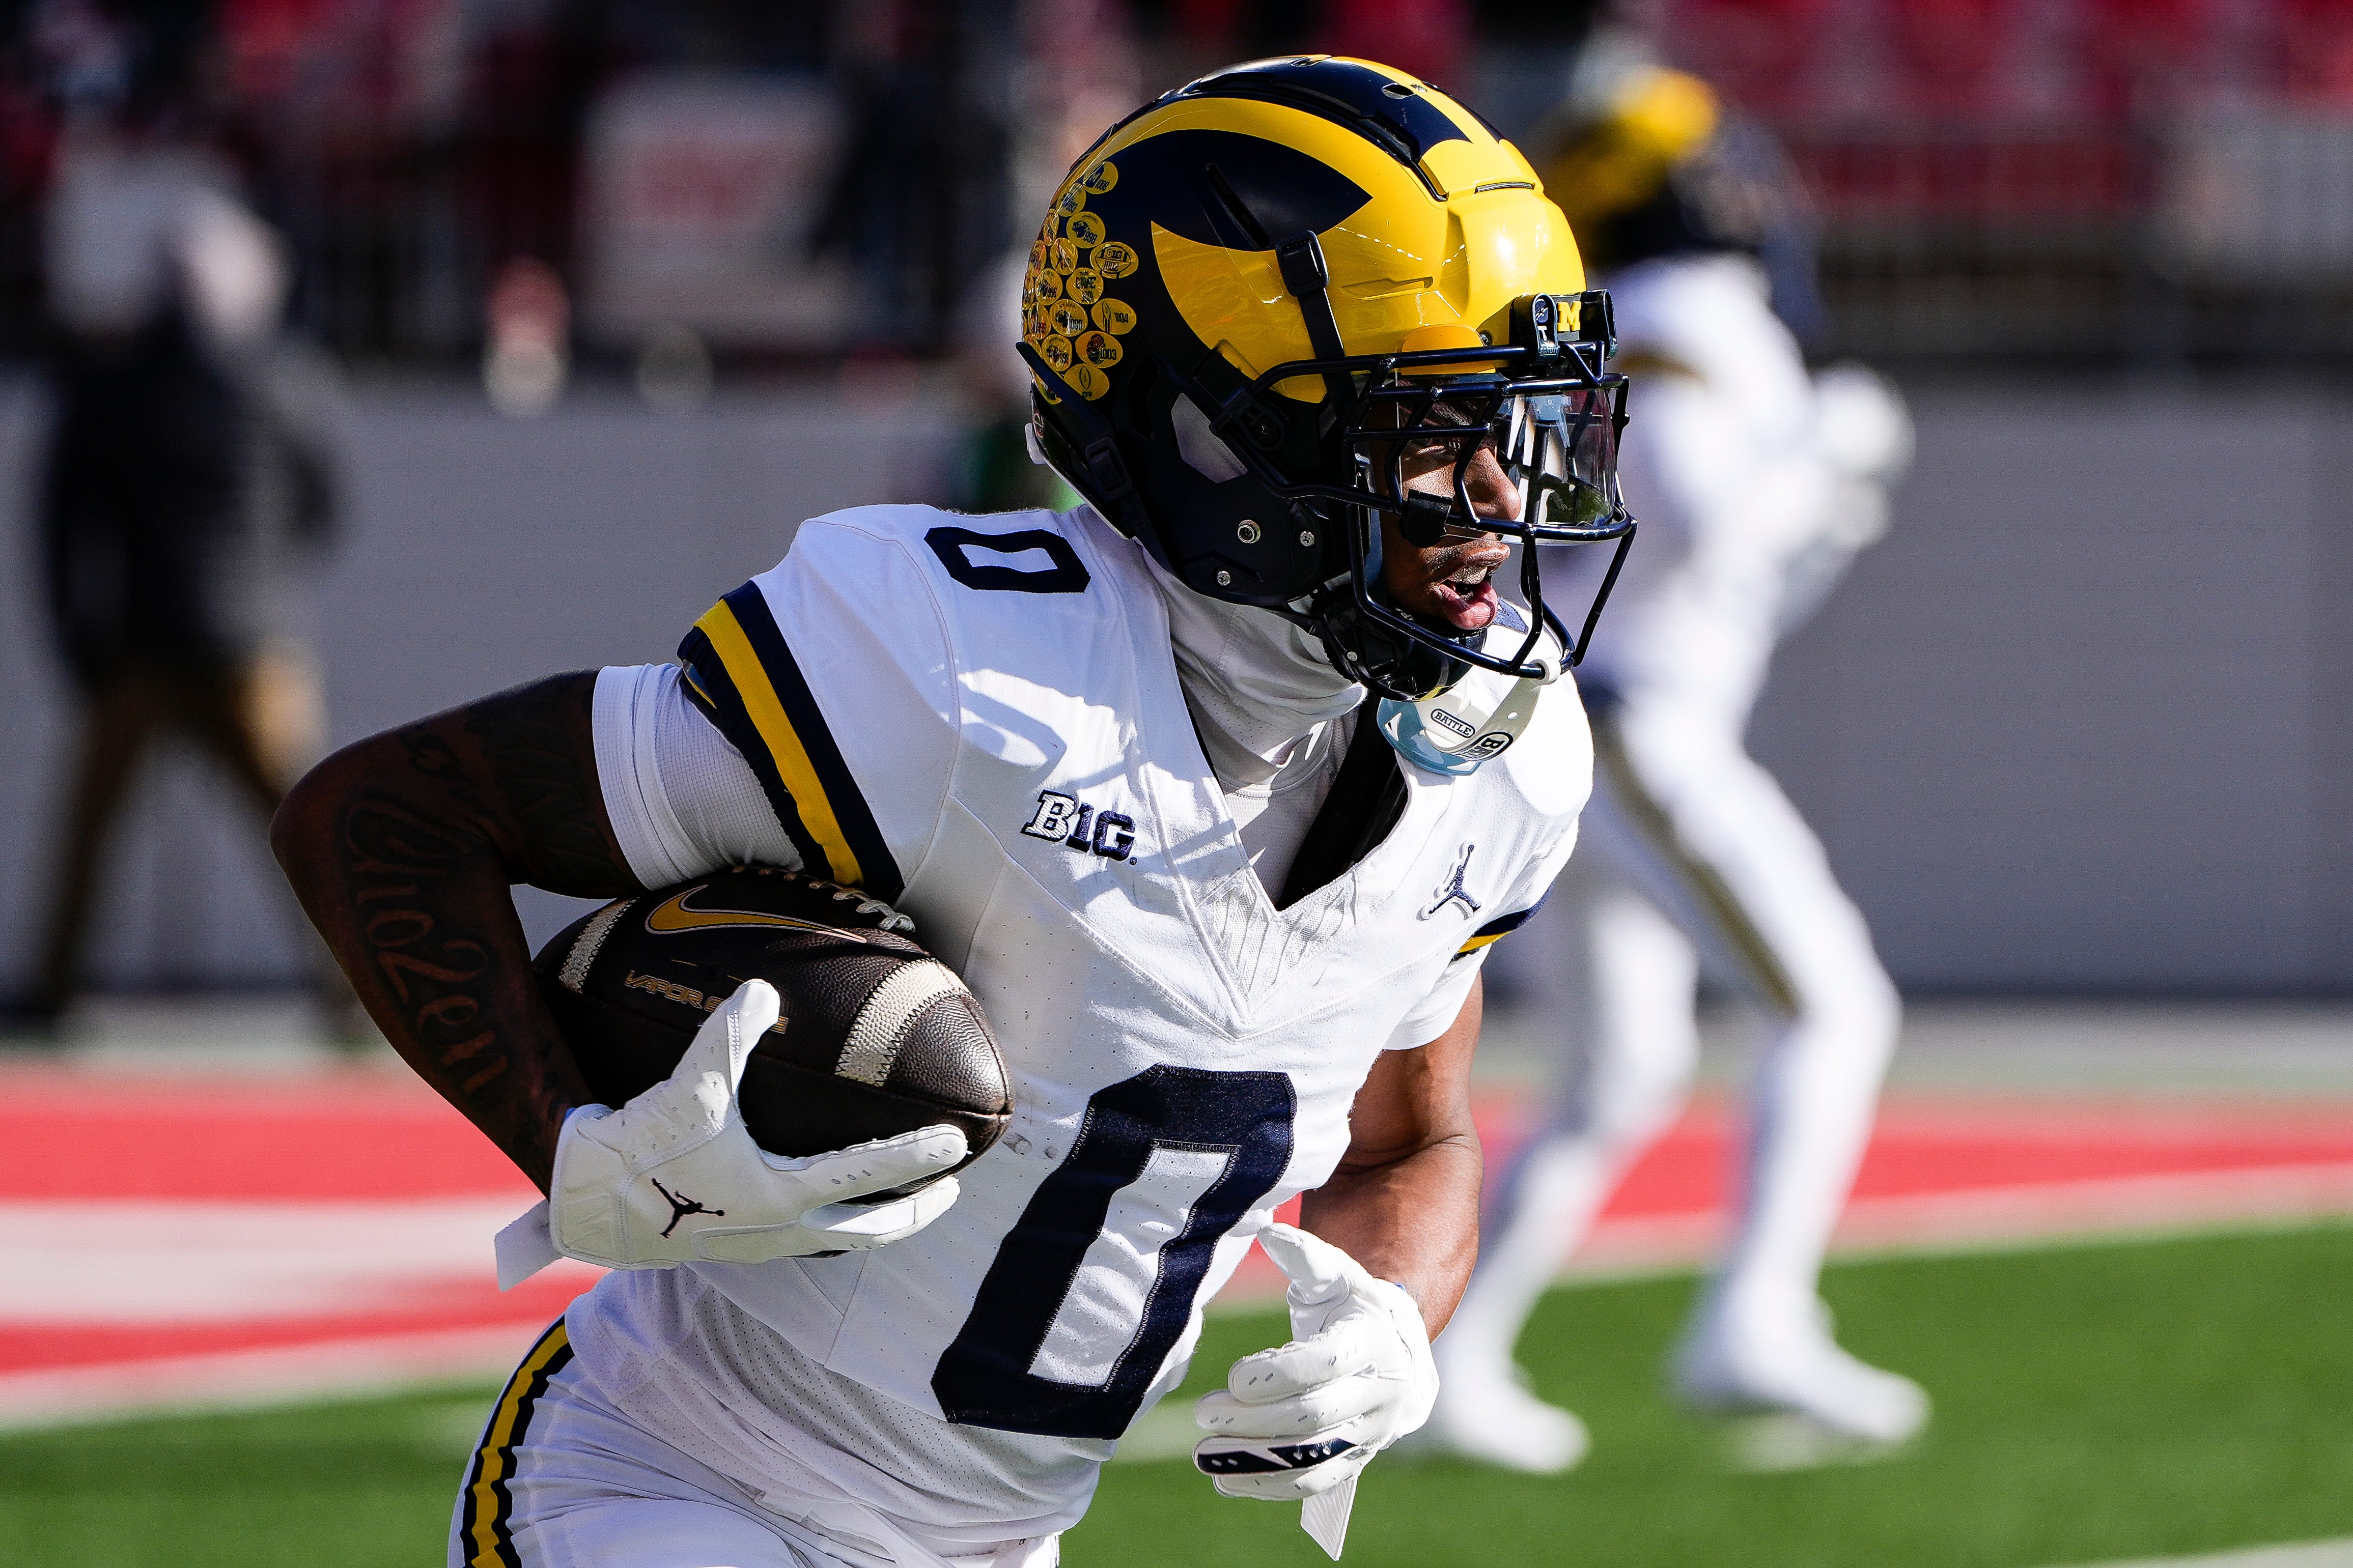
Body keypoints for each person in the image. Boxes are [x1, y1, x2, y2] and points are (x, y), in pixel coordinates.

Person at [270, 56, 1635, 1568]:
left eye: (1523, 428)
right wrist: (568, 1145)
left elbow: (1404, 1143)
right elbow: (385, 813)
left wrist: (1393, 1317)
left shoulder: (1493, 759)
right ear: (1219, 440)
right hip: (679, 1475)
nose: (1504, 500)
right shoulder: (962, 671)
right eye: (1429, 434)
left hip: (1000, 1541)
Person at [1418, 47, 1923, 1473]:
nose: (1739, 178)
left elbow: (1716, 581)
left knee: (1619, 1069)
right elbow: (1700, 516)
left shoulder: (1625, 317)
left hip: (1595, 711)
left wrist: (1811, 509)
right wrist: (1817, 470)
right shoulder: (1683, 311)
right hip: (1635, 722)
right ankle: (1752, 1315)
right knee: (1833, 1004)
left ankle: (1450, 1358)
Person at [15, 93, 353, 1036]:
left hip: (141, 648)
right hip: (255, 649)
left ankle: (50, 991)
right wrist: (274, 601)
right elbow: (324, 510)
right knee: (310, 834)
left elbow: (58, 527)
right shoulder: (285, 381)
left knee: (89, 832)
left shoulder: (112, 383)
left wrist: (83, 646)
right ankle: (359, 995)